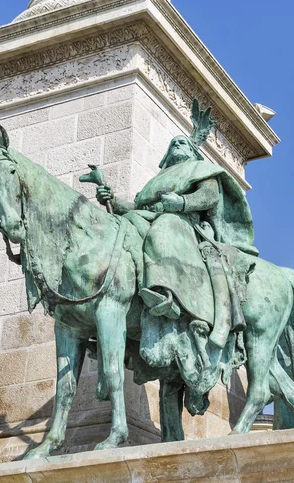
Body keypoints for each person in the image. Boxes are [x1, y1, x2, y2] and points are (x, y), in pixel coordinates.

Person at [96, 100, 257, 365]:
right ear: (168, 155)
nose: (178, 145)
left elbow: (209, 197)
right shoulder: (156, 181)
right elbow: (135, 207)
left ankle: (165, 294)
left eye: (183, 143)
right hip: (152, 215)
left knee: (163, 229)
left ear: (194, 152)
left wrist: (180, 203)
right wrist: (110, 197)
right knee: (128, 225)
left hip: (186, 224)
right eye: (174, 144)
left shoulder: (202, 170)